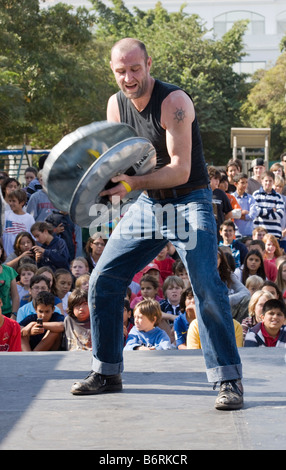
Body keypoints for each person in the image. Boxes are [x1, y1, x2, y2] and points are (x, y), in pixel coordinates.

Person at [71, 38, 243, 410]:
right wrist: (101, 184)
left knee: (205, 285)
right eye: (121, 71)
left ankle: (228, 379)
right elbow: (121, 160)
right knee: (103, 279)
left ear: (149, 64)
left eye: (135, 69)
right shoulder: (116, 104)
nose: (129, 78)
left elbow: (180, 170)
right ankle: (107, 370)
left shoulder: (175, 103)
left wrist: (130, 185)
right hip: (148, 205)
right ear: (113, 71)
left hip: (190, 201)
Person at [2, 189, 35, 257]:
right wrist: (3, 251)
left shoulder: (29, 218)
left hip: (22, 255)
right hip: (6, 255)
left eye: (14, 201)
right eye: (10, 201)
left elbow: (32, 238)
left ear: (22, 202)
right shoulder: (5, 215)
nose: (11, 203)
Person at [253, 171, 284, 239]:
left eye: (270, 181)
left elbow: (280, 214)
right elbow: (255, 211)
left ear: (273, 182)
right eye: (266, 181)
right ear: (262, 181)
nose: (268, 183)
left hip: (274, 233)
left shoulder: (278, 196)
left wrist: (262, 213)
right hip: (259, 234)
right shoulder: (256, 195)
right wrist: (270, 210)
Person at [208, 166, 232, 241]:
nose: (217, 181)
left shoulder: (220, 193)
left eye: (219, 179)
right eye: (215, 179)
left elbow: (229, 212)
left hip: (218, 231)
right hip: (205, 229)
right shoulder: (201, 193)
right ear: (208, 179)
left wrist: (222, 222)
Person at [232, 173, 259, 238]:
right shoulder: (231, 197)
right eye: (242, 182)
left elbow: (252, 215)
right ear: (235, 184)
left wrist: (237, 215)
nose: (245, 185)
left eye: (246, 182)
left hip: (248, 234)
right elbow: (229, 214)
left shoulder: (250, 198)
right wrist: (243, 213)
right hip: (235, 234)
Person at [0, 239, 19, 320]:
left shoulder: (9, 270)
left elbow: (15, 295)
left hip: (7, 314)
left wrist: (14, 315)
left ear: (1, 251)